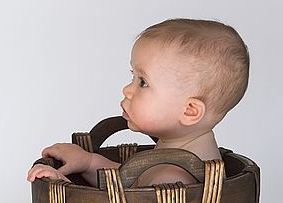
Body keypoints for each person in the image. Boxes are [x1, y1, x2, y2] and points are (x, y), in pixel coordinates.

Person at [27, 18, 249, 187]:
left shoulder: (175, 178)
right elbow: (131, 179)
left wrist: (65, 186)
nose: (127, 90)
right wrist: (90, 162)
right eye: (132, 76)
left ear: (190, 111)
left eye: (143, 82)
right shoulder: (177, 148)